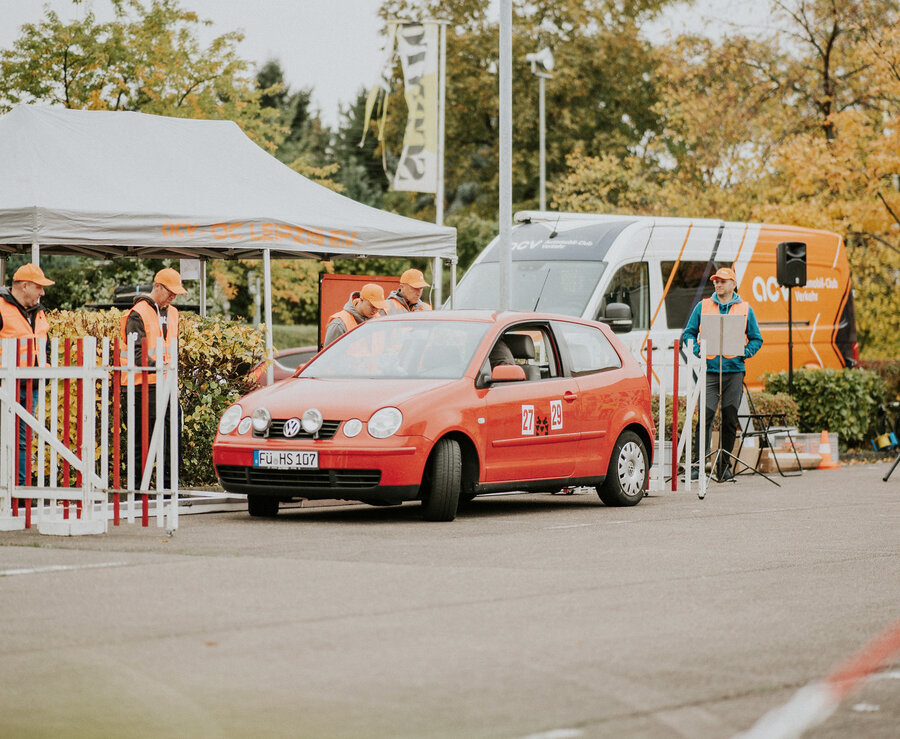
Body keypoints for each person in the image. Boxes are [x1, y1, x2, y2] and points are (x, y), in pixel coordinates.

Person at [682, 267, 763, 481]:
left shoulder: (745, 308)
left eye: (723, 281)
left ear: (733, 284)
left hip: (734, 372)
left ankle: (724, 467)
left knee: (729, 419)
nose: (718, 284)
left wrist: (744, 352)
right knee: (705, 419)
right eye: (716, 281)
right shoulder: (703, 306)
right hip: (709, 372)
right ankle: (699, 466)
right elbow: (688, 334)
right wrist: (699, 350)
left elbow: (756, 338)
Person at [120, 267, 186, 489]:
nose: (173, 296)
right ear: (157, 286)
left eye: (176, 292)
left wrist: (173, 380)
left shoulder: (173, 313)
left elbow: (171, 349)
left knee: (172, 439)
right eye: (170, 291)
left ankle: (169, 488)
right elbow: (136, 354)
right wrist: (161, 367)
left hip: (166, 384)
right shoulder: (138, 313)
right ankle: (140, 490)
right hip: (143, 385)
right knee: (143, 442)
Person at [0, 263, 54, 484]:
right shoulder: (1, 308)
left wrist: (47, 367)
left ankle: (19, 490)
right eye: (39, 287)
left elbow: (45, 345)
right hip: (5, 385)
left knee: (23, 440)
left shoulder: (39, 313)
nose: (42, 292)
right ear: (24, 286)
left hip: (31, 385)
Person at [323, 283, 390, 346]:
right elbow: (331, 356)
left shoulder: (379, 320)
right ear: (361, 300)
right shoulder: (339, 324)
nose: (375, 310)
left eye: (378, 307)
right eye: (372, 306)